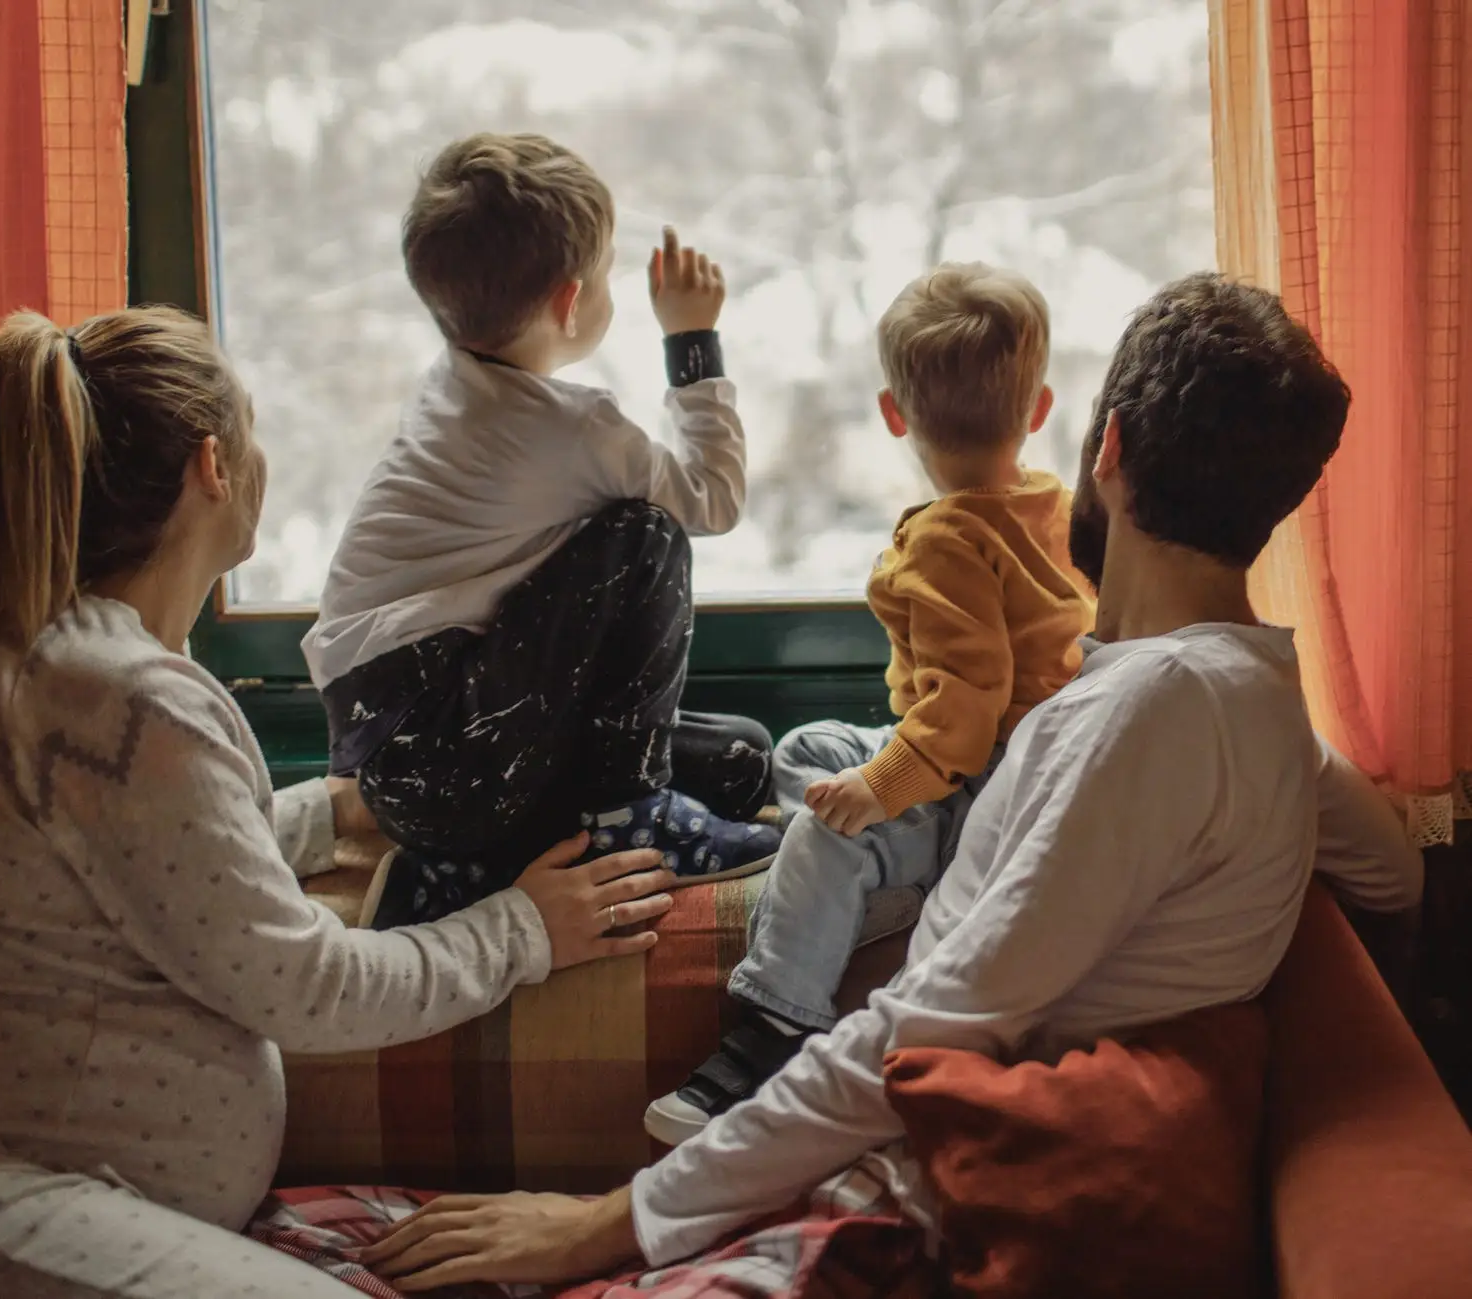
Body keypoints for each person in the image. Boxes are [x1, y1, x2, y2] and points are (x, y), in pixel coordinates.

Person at [351, 274, 1425, 1292]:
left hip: (931, 1191)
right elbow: (1392, 875)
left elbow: (936, 1018)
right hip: (909, 1154)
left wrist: (611, 1219)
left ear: (1108, 448)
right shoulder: (1253, 697)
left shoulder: (1158, 708)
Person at [0, 306, 680, 1299]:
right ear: (211, 467)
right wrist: (523, 931)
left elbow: (169, 874)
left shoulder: (92, 676)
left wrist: (336, 810)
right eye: (252, 433)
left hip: (16, 1197)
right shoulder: (119, 698)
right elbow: (302, 988)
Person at [646, 264, 1094, 1144]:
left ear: (894, 414)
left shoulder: (948, 542)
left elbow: (965, 711)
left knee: (826, 825)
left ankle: (776, 1026)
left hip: (979, 787)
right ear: (1039, 409)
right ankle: (863, 879)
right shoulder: (1053, 506)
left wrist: (883, 790)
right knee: (809, 747)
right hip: (1013, 756)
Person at [307, 132, 780, 930]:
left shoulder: (446, 392)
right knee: (644, 534)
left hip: (402, 768)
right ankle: (629, 826)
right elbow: (711, 498)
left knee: (743, 758)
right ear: (570, 303)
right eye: (604, 277)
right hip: (458, 752)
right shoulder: (577, 429)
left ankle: (464, 872)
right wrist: (691, 339)